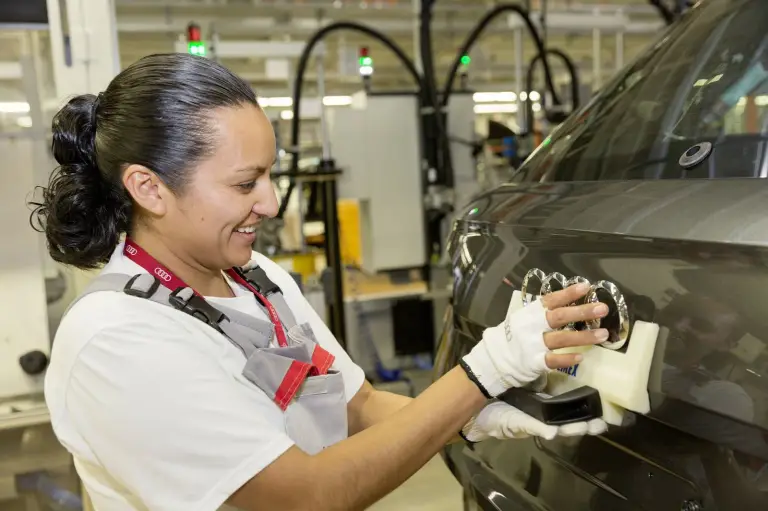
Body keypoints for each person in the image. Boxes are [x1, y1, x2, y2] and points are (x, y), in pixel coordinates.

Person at [32, 53, 609, 511]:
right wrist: (483, 375)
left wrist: (470, 420)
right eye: (244, 183)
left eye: (271, 174)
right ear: (149, 188)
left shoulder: (257, 279)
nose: (271, 200)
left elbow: (356, 408)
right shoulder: (117, 338)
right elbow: (306, 497)